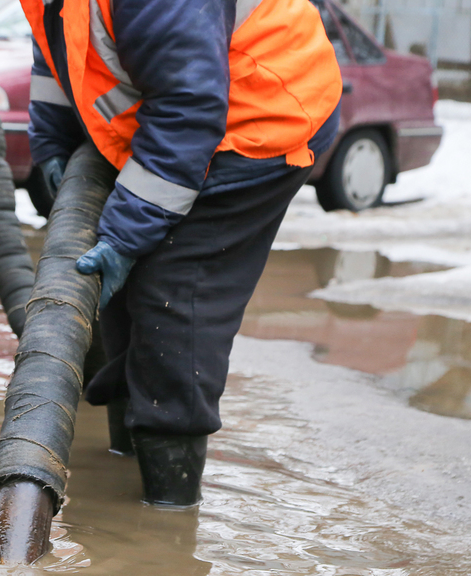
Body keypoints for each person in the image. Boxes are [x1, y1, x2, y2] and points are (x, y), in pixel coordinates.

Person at [23, 0, 342, 506]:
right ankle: (130, 458)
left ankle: (168, 514)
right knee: (125, 299)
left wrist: (126, 235)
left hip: (259, 115)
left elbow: (188, 112)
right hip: (181, 112)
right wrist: (51, 142)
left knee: (173, 298)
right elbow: (59, 51)